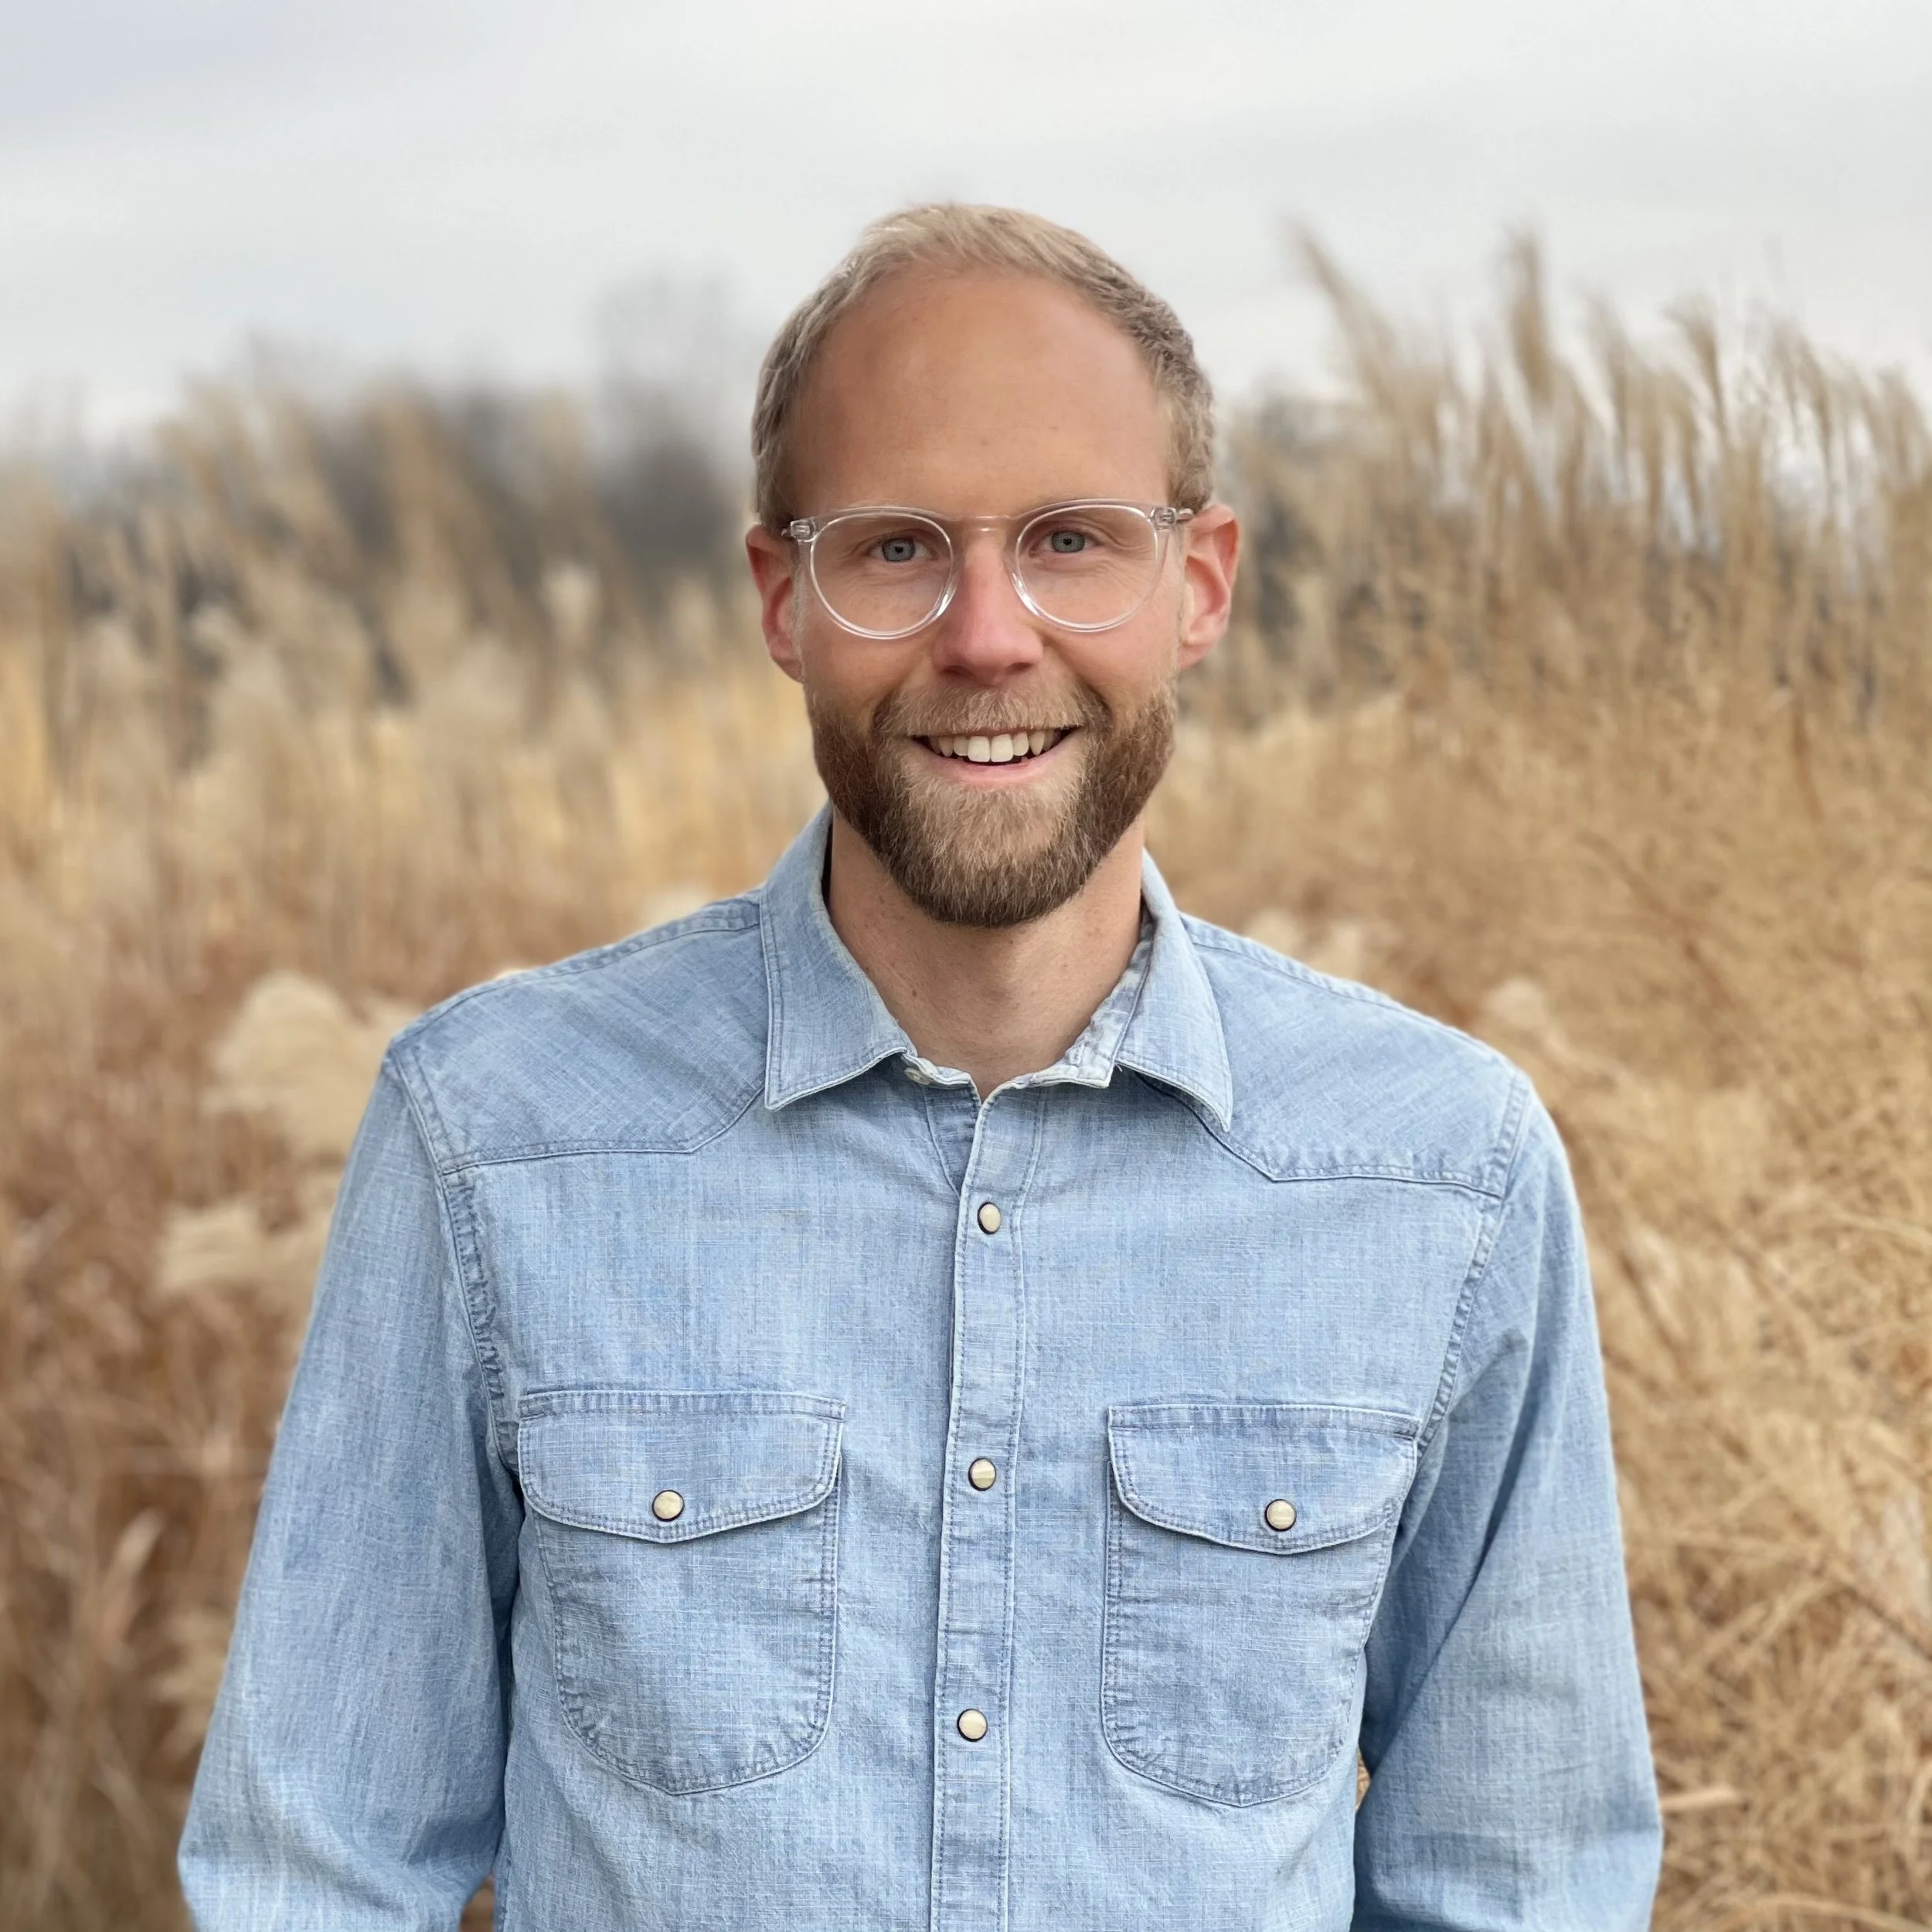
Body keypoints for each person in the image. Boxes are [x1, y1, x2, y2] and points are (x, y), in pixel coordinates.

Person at [180, 204, 1661, 1930]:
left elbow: (1518, 1880)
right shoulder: (494, 1138)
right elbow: (319, 1867)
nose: (983, 634)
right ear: (780, 601)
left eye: (1069, 540)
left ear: (1198, 585)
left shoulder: (1436, 1173)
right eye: (894, 549)